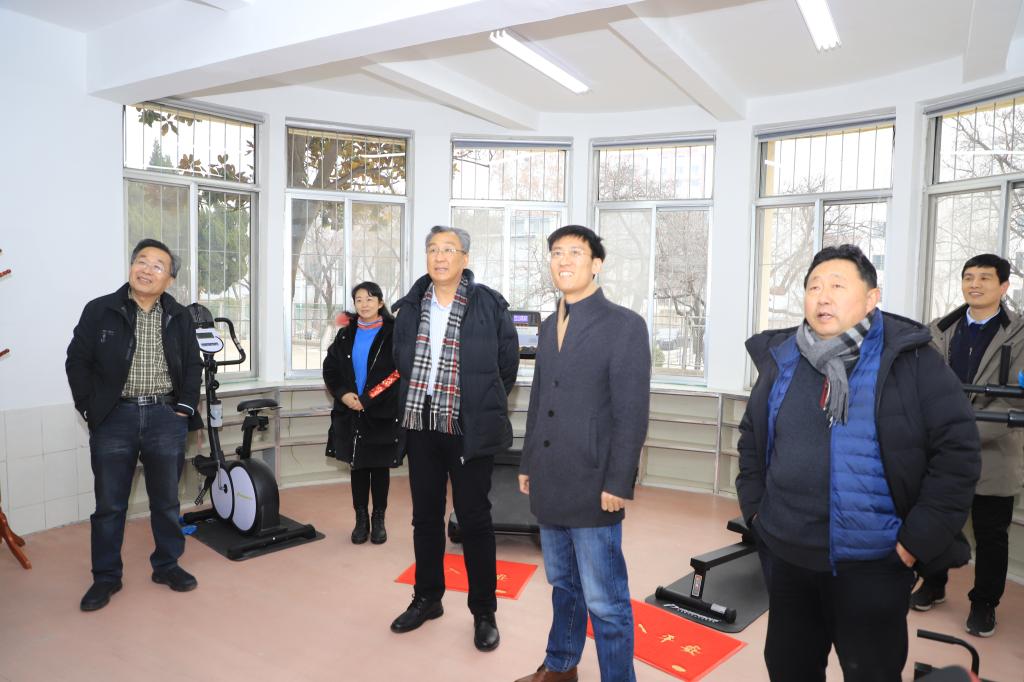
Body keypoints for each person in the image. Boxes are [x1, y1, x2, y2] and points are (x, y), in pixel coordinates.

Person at [736, 244, 981, 682]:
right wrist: (756, 512)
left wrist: (914, 543)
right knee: (788, 669)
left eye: (837, 286)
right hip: (786, 556)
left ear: (871, 298)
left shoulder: (912, 362)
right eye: (814, 287)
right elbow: (751, 438)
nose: (823, 297)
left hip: (873, 563)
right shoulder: (782, 359)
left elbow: (957, 456)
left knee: (871, 672)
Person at [516, 225, 650, 682]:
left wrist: (618, 481)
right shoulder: (548, 325)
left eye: (575, 252)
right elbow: (539, 398)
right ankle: (561, 666)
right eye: (557, 252)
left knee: (606, 602)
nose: (564, 260)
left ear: (596, 264)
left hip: (595, 484)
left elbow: (631, 412)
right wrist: (528, 461)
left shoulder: (623, 325)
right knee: (563, 585)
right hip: (551, 477)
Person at [389, 226, 519, 652]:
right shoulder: (410, 307)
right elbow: (401, 362)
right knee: (425, 518)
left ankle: (483, 611)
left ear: (465, 258)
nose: (439, 257)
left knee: (475, 520)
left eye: (449, 249)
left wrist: (475, 403)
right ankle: (428, 598)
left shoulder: (490, 305)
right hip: (420, 424)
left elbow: (506, 368)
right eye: (433, 249)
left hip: (468, 428)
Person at [66, 238, 203, 612]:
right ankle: (106, 576)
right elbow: (77, 361)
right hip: (115, 418)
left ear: (169, 279)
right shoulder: (101, 310)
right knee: (110, 505)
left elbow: (193, 366)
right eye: (142, 261)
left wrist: (184, 408)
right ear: (131, 267)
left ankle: (167, 565)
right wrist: (91, 410)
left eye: (158, 266)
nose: (147, 269)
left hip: (165, 417)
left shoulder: (179, 316)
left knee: (166, 500)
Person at [917, 253, 1024, 637]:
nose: (974, 284)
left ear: (1003, 286)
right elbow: (923, 385)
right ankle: (933, 584)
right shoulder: (938, 330)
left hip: (994, 452)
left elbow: (1015, 401)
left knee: (991, 534)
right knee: (935, 523)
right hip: (941, 452)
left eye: (984, 278)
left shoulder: (1020, 334)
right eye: (968, 277)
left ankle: (984, 604)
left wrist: (957, 431)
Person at [323, 281, 401, 545]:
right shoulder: (346, 334)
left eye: (369, 299)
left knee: (379, 467)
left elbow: (398, 372)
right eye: (359, 300)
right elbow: (330, 369)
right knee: (357, 466)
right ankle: (361, 519)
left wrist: (367, 399)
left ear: (380, 302)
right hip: (350, 411)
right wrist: (344, 394)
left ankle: (378, 519)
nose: (364, 304)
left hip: (381, 411)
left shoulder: (393, 332)